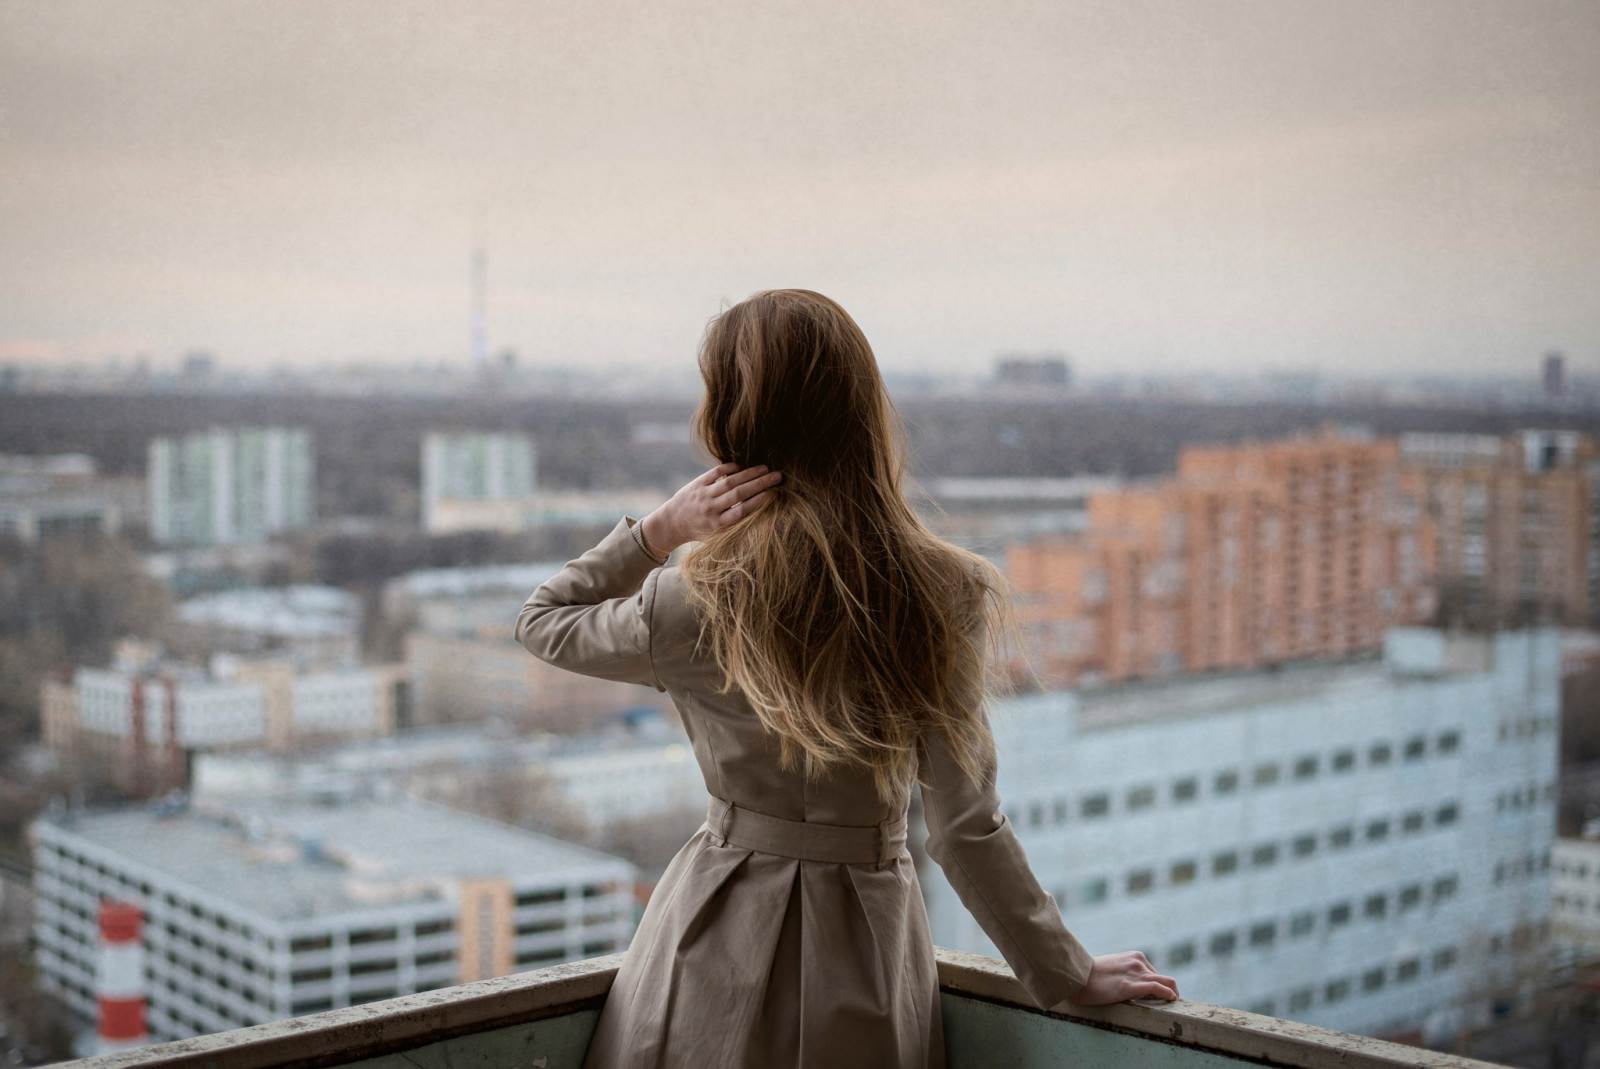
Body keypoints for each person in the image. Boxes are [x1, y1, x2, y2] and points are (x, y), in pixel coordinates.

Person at [516, 289, 1177, 1069]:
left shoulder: (695, 599)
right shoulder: (942, 592)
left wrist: (658, 531)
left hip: (706, 939)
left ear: (732, 423)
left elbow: (544, 618)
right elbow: (965, 828)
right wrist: (1064, 971)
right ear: (861, 411)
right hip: (864, 943)